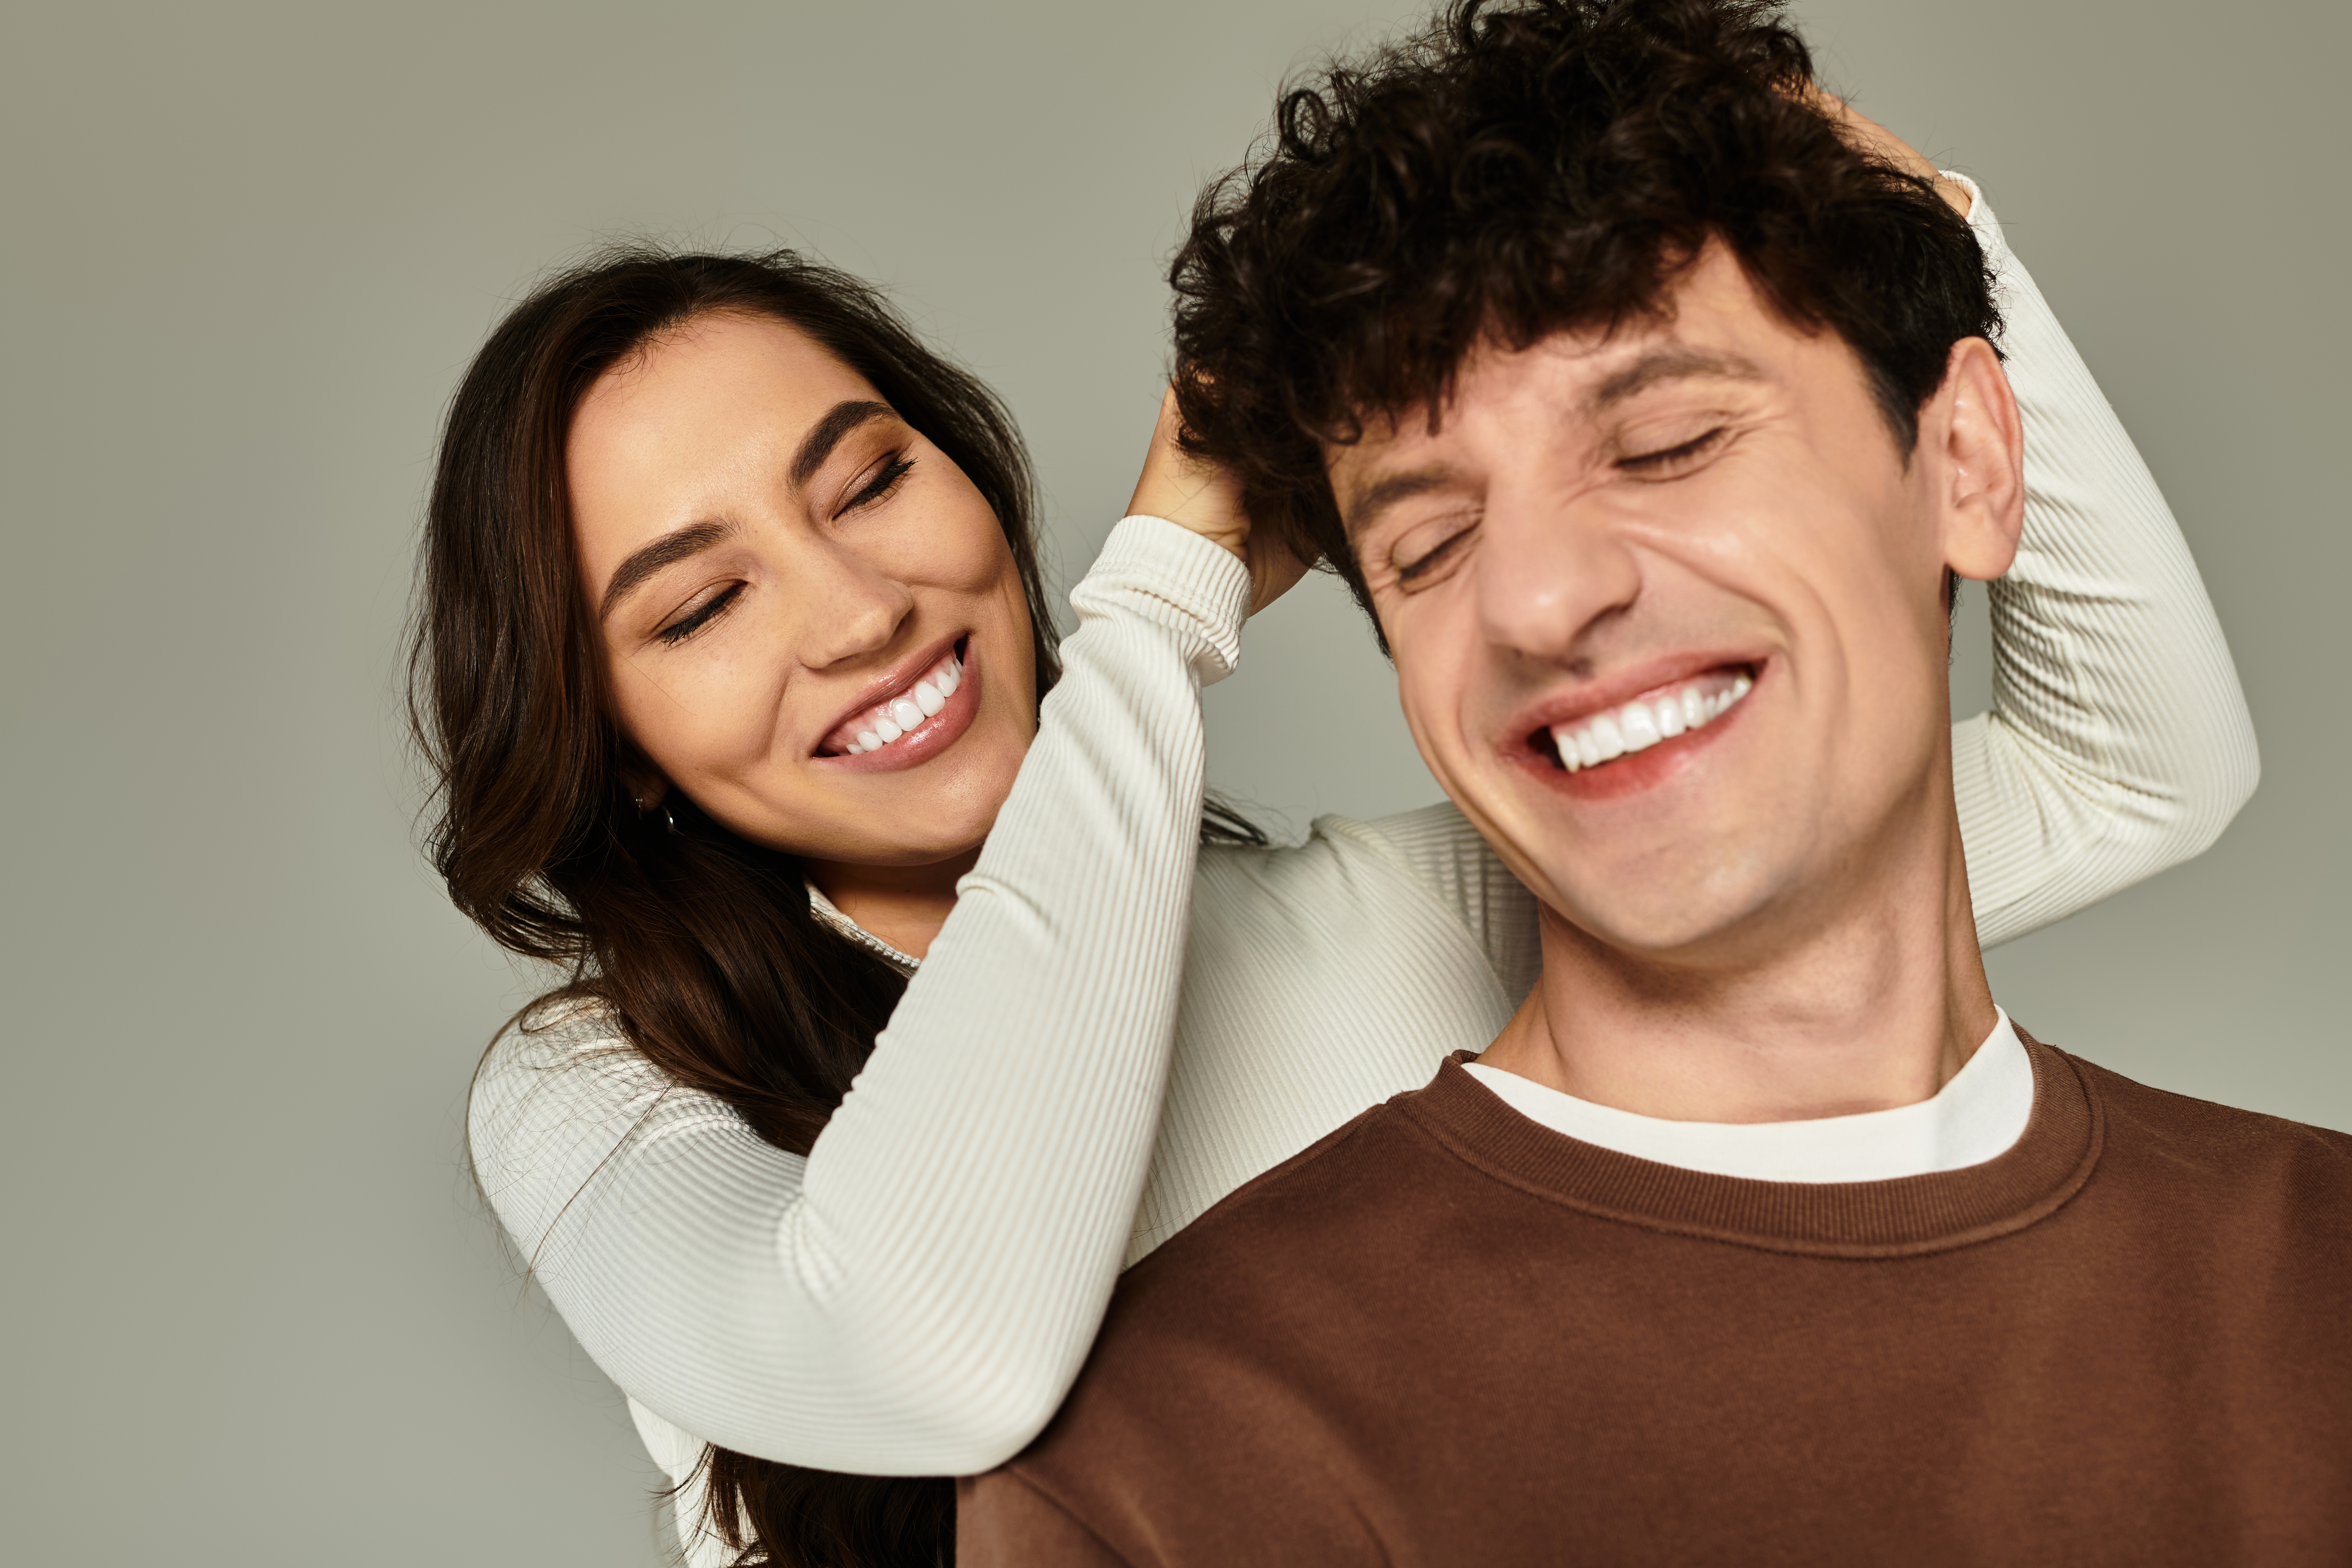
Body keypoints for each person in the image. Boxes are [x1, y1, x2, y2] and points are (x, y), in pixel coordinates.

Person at [419, 26, 2257, 1568]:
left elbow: (2134, 768)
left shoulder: (1393, 917)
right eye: (703, 603)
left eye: (870, 479)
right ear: (616, 745)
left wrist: (1926, 249)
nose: (857, 608)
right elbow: (943, 1351)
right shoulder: (599, 1096)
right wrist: (1162, 591)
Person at [955, 3, 2349, 1563]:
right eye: (1429, 544)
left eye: (1669, 443)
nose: (1542, 602)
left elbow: (2153, 762)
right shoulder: (1177, 1468)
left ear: (1967, 464)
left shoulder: (2319, 1272)